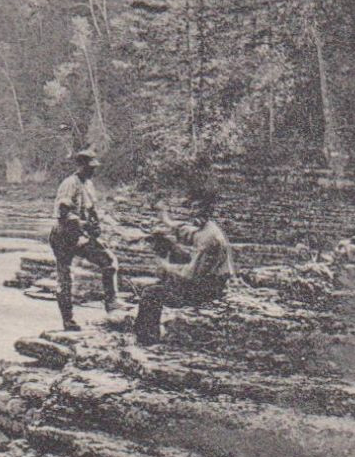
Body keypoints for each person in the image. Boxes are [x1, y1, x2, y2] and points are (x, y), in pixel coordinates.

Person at [135, 185, 236, 346]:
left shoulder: (210, 238)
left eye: (199, 208)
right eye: (192, 208)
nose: (193, 213)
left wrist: (165, 266)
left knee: (150, 294)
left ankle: (147, 341)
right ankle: (166, 285)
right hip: (207, 279)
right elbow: (188, 233)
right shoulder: (207, 228)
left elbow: (190, 275)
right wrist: (165, 218)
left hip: (207, 289)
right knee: (166, 242)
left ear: (209, 210)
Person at [49, 148, 120, 331]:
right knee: (65, 277)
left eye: (94, 167)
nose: (92, 170)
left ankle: (112, 306)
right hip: (63, 235)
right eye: (89, 167)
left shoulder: (88, 185)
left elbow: (92, 210)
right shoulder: (70, 183)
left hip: (81, 234)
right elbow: (63, 213)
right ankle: (68, 320)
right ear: (80, 165)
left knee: (108, 261)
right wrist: (84, 225)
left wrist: (96, 227)